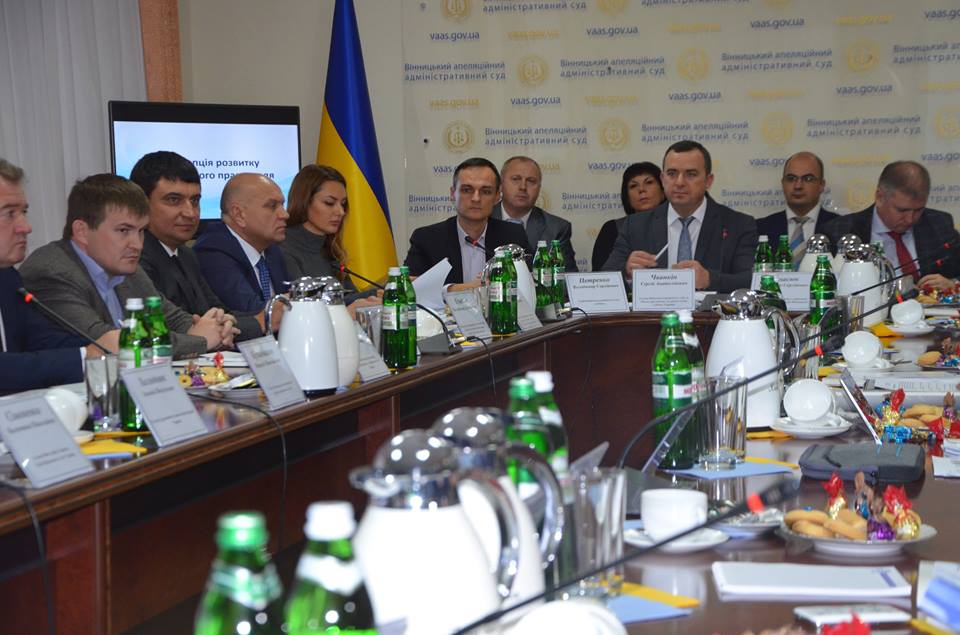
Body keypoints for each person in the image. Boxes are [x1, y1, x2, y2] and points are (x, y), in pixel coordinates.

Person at [20, 174, 235, 359]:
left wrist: (216, 327)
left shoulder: (125, 267)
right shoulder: (51, 272)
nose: (137, 244)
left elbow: (170, 317)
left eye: (140, 231)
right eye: (124, 231)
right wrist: (201, 340)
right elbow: (109, 341)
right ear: (82, 232)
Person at [0, 159, 117, 392]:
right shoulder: (45, 269)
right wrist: (84, 355)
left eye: (24, 212)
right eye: (9, 213)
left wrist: (104, 346)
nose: (26, 227)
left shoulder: (7, 278)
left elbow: (44, 338)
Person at [130, 151, 265, 340]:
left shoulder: (186, 255)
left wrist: (228, 324)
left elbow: (219, 313)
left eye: (195, 201)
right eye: (174, 200)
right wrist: (264, 321)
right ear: (141, 204)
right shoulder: (133, 258)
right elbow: (173, 328)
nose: (190, 213)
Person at [602, 140, 757, 292]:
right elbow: (604, 281)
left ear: (708, 181)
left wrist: (710, 279)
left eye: (691, 174)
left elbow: (751, 280)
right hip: (655, 309)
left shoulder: (738, 225)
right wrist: (626, 272)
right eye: (672, 174)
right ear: (663, 179)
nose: (679, 182)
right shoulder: (636, 225)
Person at [822, 160, 960, 284]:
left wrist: (953, 284)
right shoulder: (839, 232)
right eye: (902, 210)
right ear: (880, 197)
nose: (910, 219)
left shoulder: (939, 224)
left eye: (918, 210)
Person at [404, 157, 530, 289]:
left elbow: (529, 284)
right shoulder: (427, 239)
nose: (476, 198)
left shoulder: (512, 236)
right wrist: (461, 289)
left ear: (497, 196)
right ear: (453, 193)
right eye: (467, 190)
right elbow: (408, 287)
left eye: (486, 191)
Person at [279, 164, 380, 310]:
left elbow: (349, 297)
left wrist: (384, 290)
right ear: (304, 202)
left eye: (343, 204)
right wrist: (375, 293)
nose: (340, 212)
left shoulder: (330, 248)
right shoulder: (283, 247)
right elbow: (307, 304)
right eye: (329, 203)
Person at [194, 173, 291, 312]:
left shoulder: (272, 249)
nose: (285, 214)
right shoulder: (211, 252)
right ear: (238, 214)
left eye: (282, 205)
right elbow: (252, 312)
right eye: (272, 206)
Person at [491, 156, 577, 271]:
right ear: (500, 185)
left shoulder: (557, 229)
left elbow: (566, 276)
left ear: (539, 189)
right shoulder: (483, 219)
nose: (523, 187)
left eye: (531, 181)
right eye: (516, 179)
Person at [757, 151, 838, 266]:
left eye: (808, 179)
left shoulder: (840, 227)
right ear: (783, 183)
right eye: (791, 179)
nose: (798, 186)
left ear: (821, 185)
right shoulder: (760, 229)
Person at [591, 162, 665, 271]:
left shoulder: (677, 223)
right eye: (633, 186)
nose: (641, 189)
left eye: (649, 182)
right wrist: (626, 270)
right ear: (627, 198)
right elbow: (600, 275)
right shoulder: (613, 228)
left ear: (663, 190)